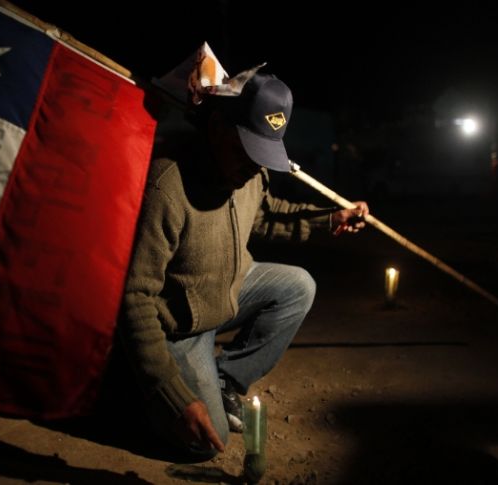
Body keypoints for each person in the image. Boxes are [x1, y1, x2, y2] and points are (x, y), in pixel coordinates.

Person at [118, 73, 368, 457]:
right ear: (217, 127)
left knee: (298, 286)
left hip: (226, 292)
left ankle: (224, 379)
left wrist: (329, 220)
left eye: (263, 154)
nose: (256, 167)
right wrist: (172, 394)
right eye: (247, 151)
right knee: (207, 440)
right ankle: (134, 393)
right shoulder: (168, 187)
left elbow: (265, 218)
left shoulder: (247, 172)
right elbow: (134, 299)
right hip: (179, 325)